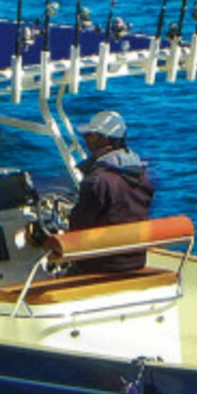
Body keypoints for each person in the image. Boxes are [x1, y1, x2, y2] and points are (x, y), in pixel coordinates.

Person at [68, 110, 154, 273]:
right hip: (135, 261)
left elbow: (78, 226)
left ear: (105, 138)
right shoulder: (142, 176)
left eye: (90, 135)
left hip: (102, 265)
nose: (85, 138)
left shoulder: (98, 180)